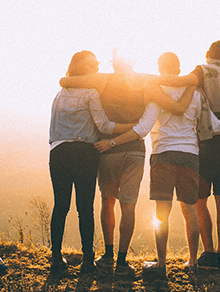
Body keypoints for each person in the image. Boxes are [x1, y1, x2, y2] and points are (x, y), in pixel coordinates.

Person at [95, 52, 220, 275]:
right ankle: (193, 261)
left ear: (159, 68)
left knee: (162, 212)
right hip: (190, 156)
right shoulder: (195, 93)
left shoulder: (157, 92)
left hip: (163, 155)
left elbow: (142, 129)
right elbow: (214, 125)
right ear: (178, 70)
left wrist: (112, 142)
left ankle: (161, 263)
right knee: (190, 211)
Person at [59, 48, 195, 276]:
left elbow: (65, 80)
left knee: (108, 200)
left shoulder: (102, 80)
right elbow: (174, 101)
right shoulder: (145, 82)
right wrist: (192, 83)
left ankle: (108, 255)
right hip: (135, 149)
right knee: (128, 205)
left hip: (107, 148)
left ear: (114, 64)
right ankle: (122, 261)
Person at [152, 41, 220, 269]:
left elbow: (180, 82)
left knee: (200, 200)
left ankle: (208, 253)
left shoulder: (203, 70)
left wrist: (146, 80)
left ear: (207, 55)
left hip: (209, 141)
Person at [49, 50, 134, 273]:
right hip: (84, 153)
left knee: (60, 206)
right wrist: (132, 127)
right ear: (82, 68)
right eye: (92, 64)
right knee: (85, 208)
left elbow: (53, 129)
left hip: (58, 152)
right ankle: (88, 260)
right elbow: (104, 126)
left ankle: (56, 258)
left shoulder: (60, 93)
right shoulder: (91, 93)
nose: (97, 66)